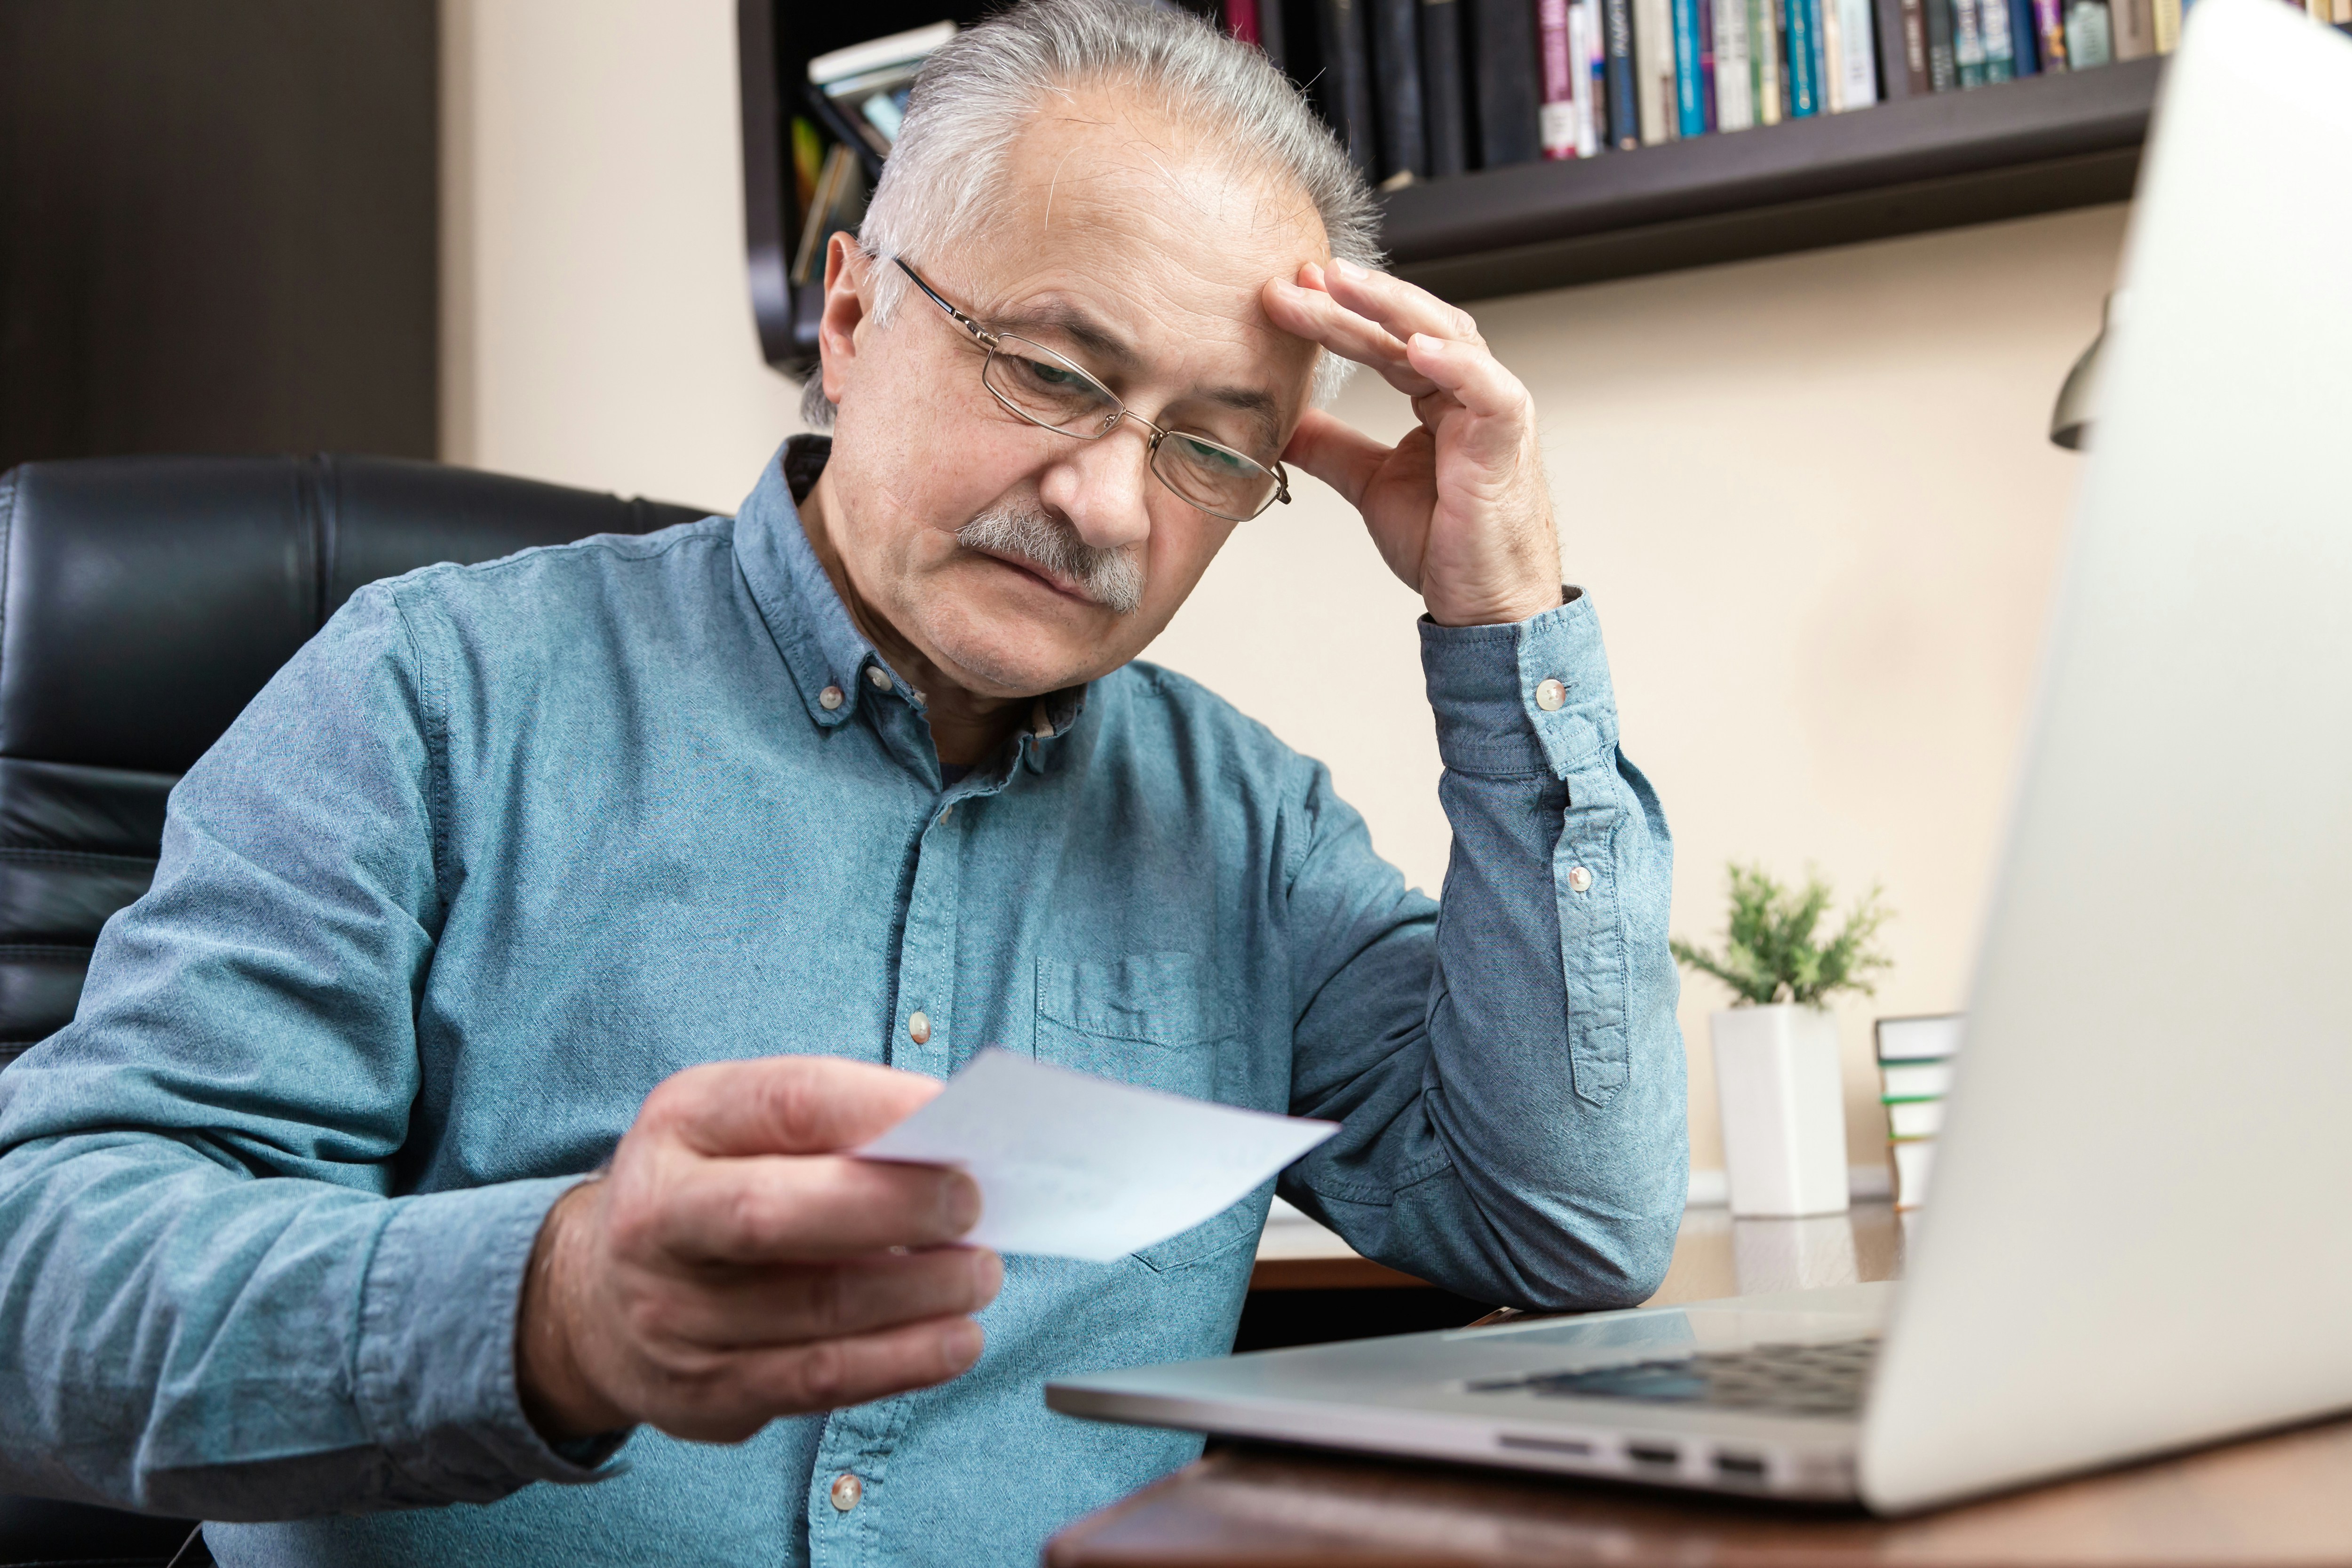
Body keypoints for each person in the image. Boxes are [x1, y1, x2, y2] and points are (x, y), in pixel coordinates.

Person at [0, 0, 1687, 1562]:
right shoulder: (431, 694)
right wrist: (559, 1307)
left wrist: (1505, 613)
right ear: (855, 313)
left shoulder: (1246, 829)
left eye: (1210, 447)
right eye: (1052, 369)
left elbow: (1565, 1226)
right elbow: (49, 1283)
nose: (1108, 506)